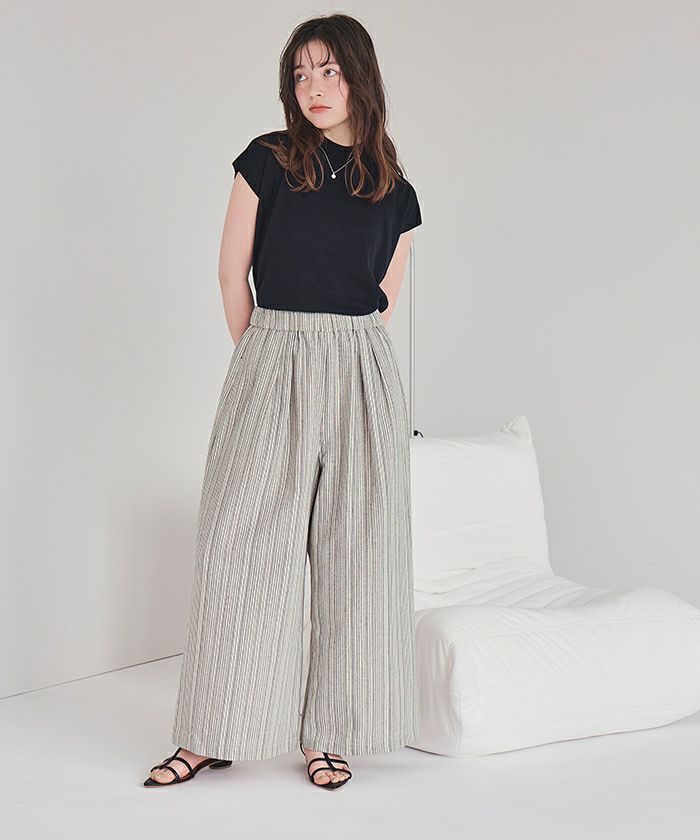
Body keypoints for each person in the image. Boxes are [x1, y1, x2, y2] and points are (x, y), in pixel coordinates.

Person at [144, 13, 422, 791]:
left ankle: (329, 735)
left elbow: (382, 302)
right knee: (239, 545)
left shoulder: (397, 193)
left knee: (356, 554)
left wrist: (340, 362)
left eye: (328, 70)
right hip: (272, 350)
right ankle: (212, 731)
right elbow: (230, 271)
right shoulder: (267, 161)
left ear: (359, 77)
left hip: (361, 364)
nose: (313, 87)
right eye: (300, 73)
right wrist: (262, 359)